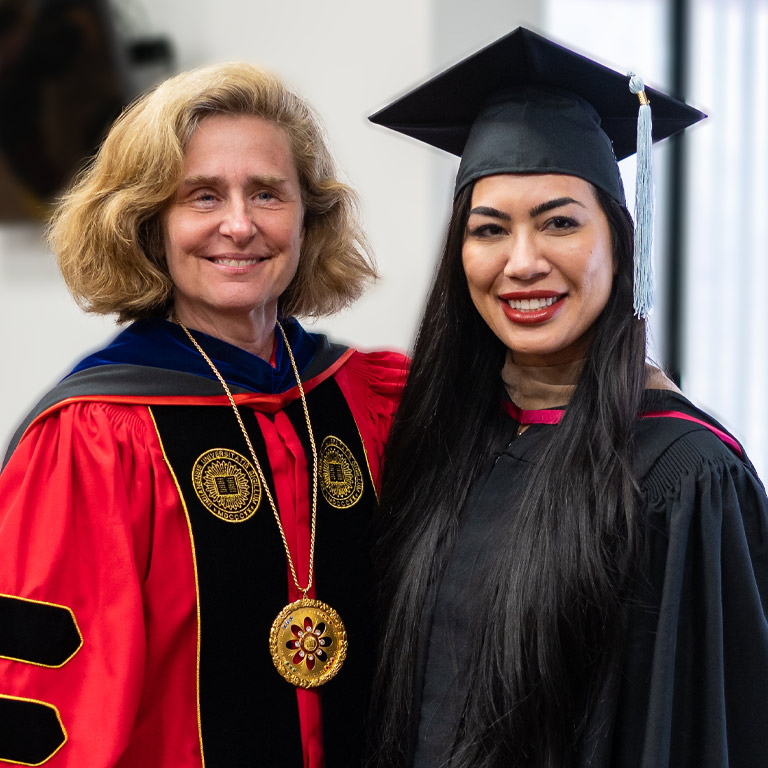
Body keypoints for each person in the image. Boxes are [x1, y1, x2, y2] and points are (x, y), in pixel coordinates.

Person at [367, 28, 768, 768]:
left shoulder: (685, 480)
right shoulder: (446, 447)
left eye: (559, 222)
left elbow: (703, 735)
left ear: (620, 244)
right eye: (490, 230)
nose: (523, 263)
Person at [0, 62, 406, 767]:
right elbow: (51, 712)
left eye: (268, 194)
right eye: (203, 196)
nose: (240, 225)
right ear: (150, 224)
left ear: (308, 218)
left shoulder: (362, 398)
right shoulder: (95, 439)